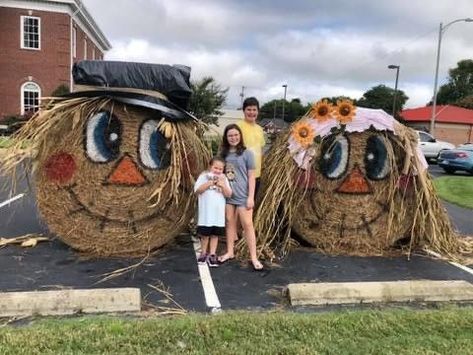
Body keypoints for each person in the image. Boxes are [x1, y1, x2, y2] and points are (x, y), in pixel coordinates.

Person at [218, 124, 264, 271]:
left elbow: (251, 176)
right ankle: (230, 252)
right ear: (226, 137)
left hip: (243, 195)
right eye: (230, 135)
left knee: (247, 224)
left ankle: (254, 257)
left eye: (236, 135)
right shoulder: (223, 154)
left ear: (240, 136)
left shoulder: (247, 153)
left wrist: (251, 197)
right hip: (228, 195)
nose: (233, 138)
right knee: (230, 222)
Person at [194, 156, 232, 267]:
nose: (218, 171)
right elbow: (197, 190)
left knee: (215, 235)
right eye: (215, 168)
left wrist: (223, 185)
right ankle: (203, 253)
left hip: (218, 214)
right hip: (206, 214)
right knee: (205, 235)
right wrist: (209, 183)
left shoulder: (223, 179)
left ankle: (212, 254)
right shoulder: (203, 176)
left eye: (220, 169)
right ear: (210, 166)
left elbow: (229, 194)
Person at [237, 97, 265, 195]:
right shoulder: (238, 127)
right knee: (239, 204)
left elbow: (260, 150)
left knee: (250, 204)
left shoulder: (260, 129)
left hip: (256, 174)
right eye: (249, 109)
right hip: (241, 173)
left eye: (254, 110)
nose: (251, 112)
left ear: (258, 111)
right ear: (243, 110)